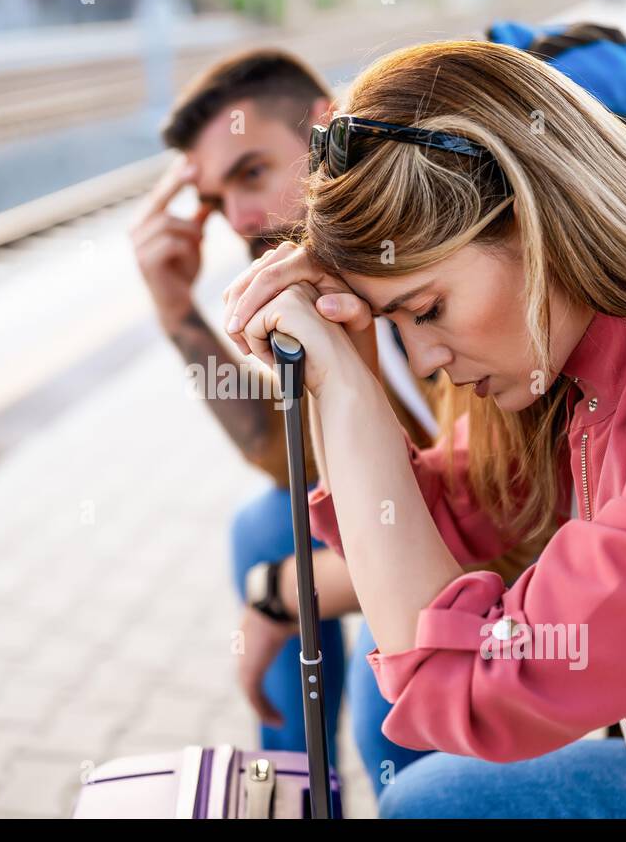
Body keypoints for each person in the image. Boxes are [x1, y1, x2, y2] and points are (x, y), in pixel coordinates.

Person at [221, 39, 626, 818]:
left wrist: (351, 397)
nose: (428, 358)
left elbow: (481, 690)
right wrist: (343, 362)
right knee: (429, 790)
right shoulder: (589, 364)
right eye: (399, 320)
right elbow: (440, 517)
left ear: (538, 222)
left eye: (428, 309)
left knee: (432, 794)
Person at [131, 48, 511, 778]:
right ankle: (293, 784)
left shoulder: (422, 260)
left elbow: (498, 515)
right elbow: (288, 461)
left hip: (499, 544)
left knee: (387, 717)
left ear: (326, 128)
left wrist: (277, 598)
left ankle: (353, 778)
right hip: (442, 511)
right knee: (265, 523)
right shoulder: (334, 279)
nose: (239, 217)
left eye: (251, 172)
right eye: (215, 201)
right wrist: (178, 313)